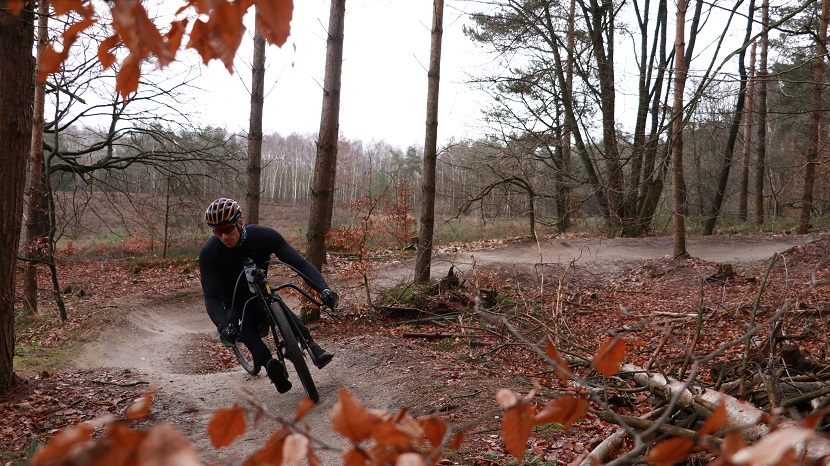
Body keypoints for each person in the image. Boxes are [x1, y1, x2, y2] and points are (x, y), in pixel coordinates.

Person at [199, 198, 338, 393]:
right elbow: (211, 296)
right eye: (216, 231)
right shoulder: (210, 252)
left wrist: (323, 289)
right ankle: (270, 366)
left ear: (239, 222)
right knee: (241, 327)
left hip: (262, 293)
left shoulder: (264, 236)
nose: (223, 236)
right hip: (234, 303)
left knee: (278, 303)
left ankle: (313, 346)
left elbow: (299, 264)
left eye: (227, 229)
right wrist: (223, 326)